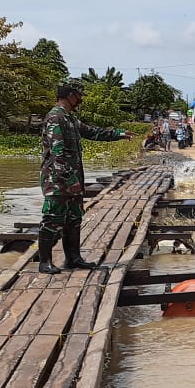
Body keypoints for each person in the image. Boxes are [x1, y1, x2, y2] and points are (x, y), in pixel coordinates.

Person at [38, 82, 132, 274]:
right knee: (52, 218)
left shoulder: (70, 119)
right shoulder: (55, 117)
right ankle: (45, 262)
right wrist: (67, 179)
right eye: (78, 96)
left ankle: (73, 258)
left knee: (74, 219)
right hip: (57, 180)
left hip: (73, 179)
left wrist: (118, 134)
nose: (80, 100)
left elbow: (92, 132)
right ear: (70, 96)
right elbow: (57, 153)